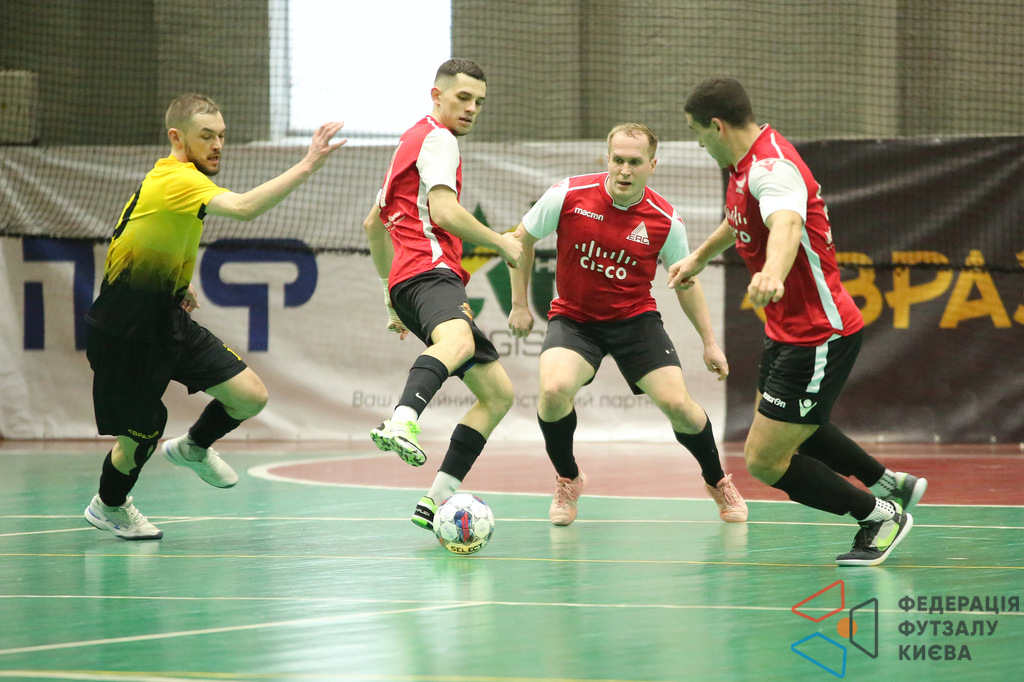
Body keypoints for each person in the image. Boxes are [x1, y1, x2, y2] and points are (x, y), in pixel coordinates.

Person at [669, 77, 927, 566]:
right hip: (786, 331)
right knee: (789, 425)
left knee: (764, 460)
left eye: (696, 131)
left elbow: (785, 222)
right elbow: (741, 218)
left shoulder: (772, 168)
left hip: (818, 334)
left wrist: (771, 271)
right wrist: (700, 256)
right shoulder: (745, 165)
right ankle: (889, 484)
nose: (698, 142)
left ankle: (879, 516)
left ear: (717, 126)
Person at [83, 94, 346, 540]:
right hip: (124, 335)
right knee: (140, 440)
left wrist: (175, 282)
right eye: (207, 136)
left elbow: (130, 230)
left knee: (249, 396)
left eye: (222, 136)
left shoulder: (175, 183)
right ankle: (109, 505)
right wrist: (308, 164)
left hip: (167, 321)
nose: (218, 145)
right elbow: (245, 208)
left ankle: (194, 447)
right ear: (176, 137)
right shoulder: (178, 178)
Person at [507, 122, 747, 527]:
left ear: (652, 165)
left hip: (635, 322)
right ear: (607, 159)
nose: (624, 170)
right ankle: (568, 478)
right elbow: (520, 240)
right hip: (575, 319)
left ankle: (717, 480)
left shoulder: (665, 220)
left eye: (634, 162)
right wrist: (519, 305)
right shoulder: (568, 194)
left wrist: (709, 342)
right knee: (553, 390)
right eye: (617, 160)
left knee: (679, 407)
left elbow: (685, 281)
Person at [363, 58, 523, 531]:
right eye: (463, 98)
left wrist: (389, 295)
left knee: (498, 395)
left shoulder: (409, 142)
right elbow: (445, 212)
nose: (472, 109)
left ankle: (433, 501)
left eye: (479, 102)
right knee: (458, 342)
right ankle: (402, 420)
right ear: (437, 96)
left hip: (407, 279)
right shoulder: (439, 139)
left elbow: (373, 225)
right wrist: (500, 243)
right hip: (432, 270)